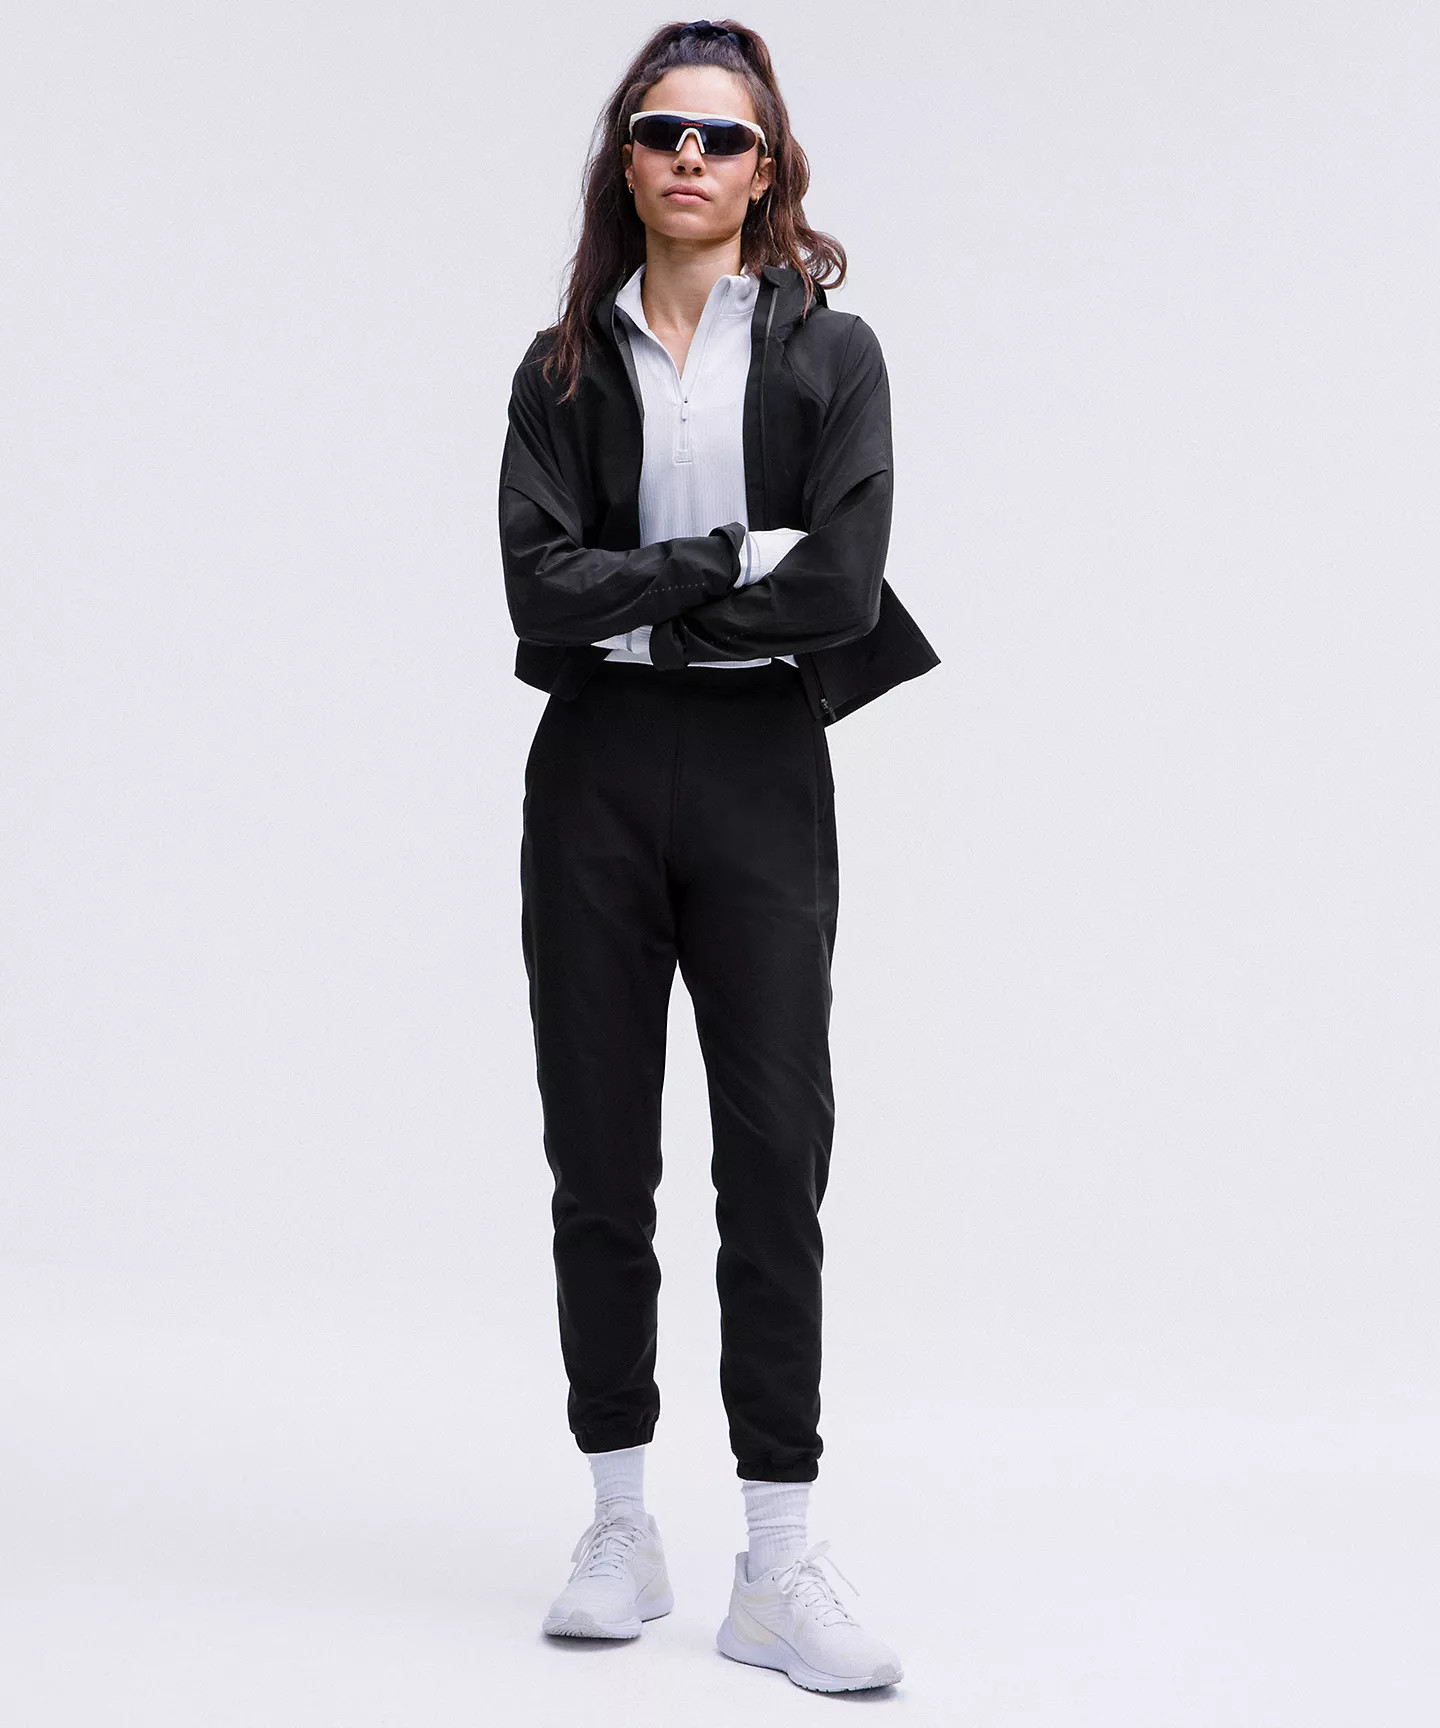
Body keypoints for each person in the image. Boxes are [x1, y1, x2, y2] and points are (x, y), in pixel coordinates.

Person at [498, 18, 939, 1694]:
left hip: (761, 771)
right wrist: (723, 559)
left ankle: (777, 1559)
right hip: (594, 777)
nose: (692, 155)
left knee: (772, 1157)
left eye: (724, 136)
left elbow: (840, 588)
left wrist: (646, 592)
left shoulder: (835, 355)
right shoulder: (560, 369)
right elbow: (536, 594)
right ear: (626, 159)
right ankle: (618, 1521)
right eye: (662, 129)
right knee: (598, 1159)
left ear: (769, 170)